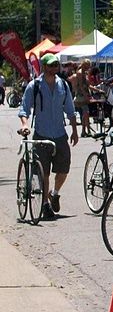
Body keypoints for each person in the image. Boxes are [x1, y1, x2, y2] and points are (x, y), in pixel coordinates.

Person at [17, 53, 79, 220]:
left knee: (63, 169)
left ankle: (55, 193)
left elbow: (70, 111)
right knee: (43, 172)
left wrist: (74, 130)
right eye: (51, 65)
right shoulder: (34, 86)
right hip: (41, 134)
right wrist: (24, 124)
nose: (54, 68)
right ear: (44, 67)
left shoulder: (63, 85)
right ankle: (45, 204)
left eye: (56, 65)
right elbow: (24, 109)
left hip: (60, 134)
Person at [70, 59, 93, 137]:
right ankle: (87, 130)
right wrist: (86, 96)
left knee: (85, 114)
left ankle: (84, 131)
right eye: (88, 65)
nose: (89, 67)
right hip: (81, 95)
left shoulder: (84, 73)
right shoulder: (80, 73)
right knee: (86, 113)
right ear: (84, 65)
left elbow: (87, 85)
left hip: (85, 93)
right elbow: (80, 86)